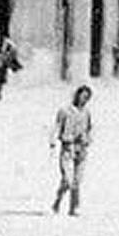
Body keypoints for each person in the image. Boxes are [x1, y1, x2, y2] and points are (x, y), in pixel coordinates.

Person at [49, 84, 95, 216]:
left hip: (81, 149)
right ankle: (57, 201)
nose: (84, 99)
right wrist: (53, 141)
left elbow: (90, 128)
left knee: (77, 180)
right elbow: (57, 126)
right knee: (68, 180)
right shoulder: (65, 110)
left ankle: (74, 207)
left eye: (87, 97)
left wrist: (88, 139)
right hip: (68, 148)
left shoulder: (86, 112)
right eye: (82, 96)